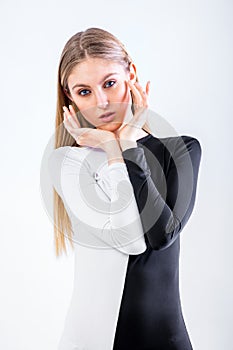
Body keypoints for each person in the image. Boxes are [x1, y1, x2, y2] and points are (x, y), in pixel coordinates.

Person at [48, 27, 202, 350]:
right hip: (95, 342)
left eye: (109, 83)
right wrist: (110, 148)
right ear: (70, 99)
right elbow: (131, 240)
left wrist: (128, 144)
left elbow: (161, 236)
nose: (101, 102)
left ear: (131, 74)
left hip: (167, 340)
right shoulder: (69, 163)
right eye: (84, 92)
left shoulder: (182, 151)